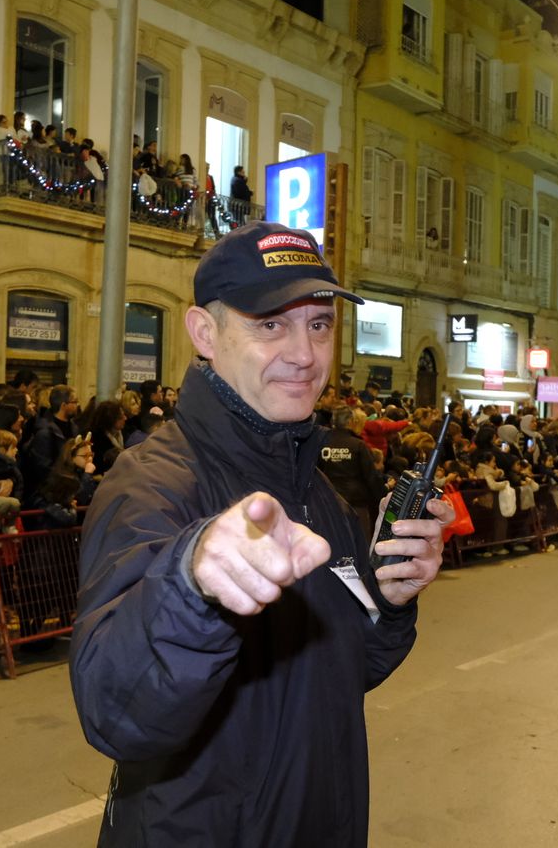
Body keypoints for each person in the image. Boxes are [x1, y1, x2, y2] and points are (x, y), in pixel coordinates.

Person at [71, 221, 448, 845]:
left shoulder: (317, 492)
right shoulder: (152, 483)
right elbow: (117, 712)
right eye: (270, 324)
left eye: (319, 325)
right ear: (205, 333)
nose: (305, 353)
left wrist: (390, 600)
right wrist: (192, 587)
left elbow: (342, 673)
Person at [320, 405, 386, 522]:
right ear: (350, 421)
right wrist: (382, 495)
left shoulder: (321, 443)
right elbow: (371, 476)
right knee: (358, 533)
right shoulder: (358, 445)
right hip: (355, 503)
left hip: (327, 502)